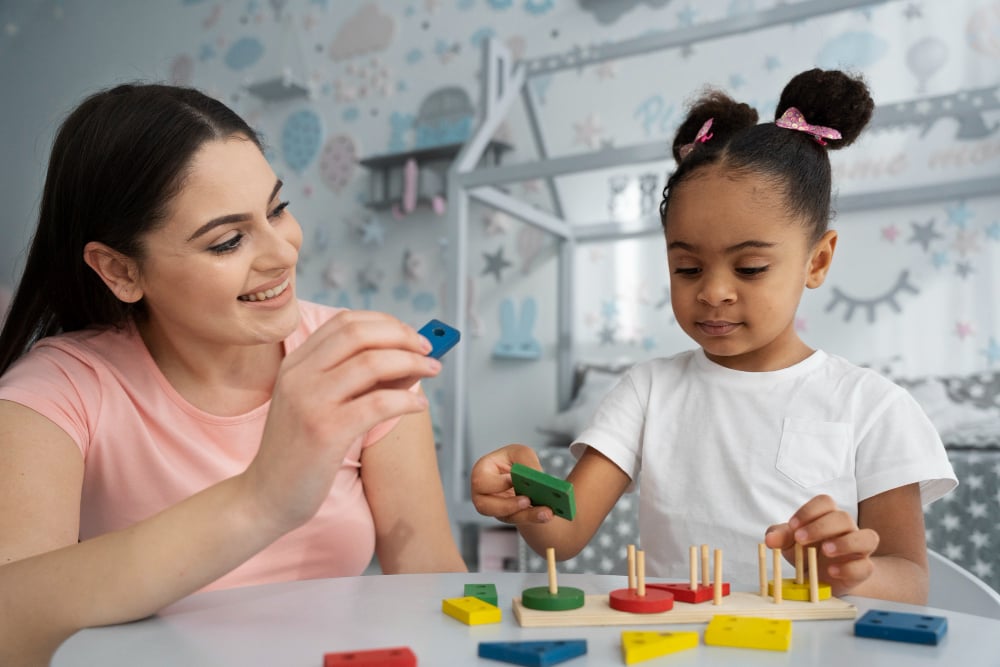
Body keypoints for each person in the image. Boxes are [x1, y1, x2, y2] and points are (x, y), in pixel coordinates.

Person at [0, 83, 466, 665]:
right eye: (227, 241)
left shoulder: (354, 356)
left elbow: (433, 585)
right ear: (119, 269)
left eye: (277, 209)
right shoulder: (59, 391)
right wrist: (262, 499)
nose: (283, 253)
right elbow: (8, 625)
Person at [470, 68, 957, 604]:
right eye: (687, 269)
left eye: (749, 268)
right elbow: (562, 535)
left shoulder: (874, 406)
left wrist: (852, 573)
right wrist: (524, 488)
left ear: (817, 261)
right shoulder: (647, 391)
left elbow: (910, 582)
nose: (713, 292)